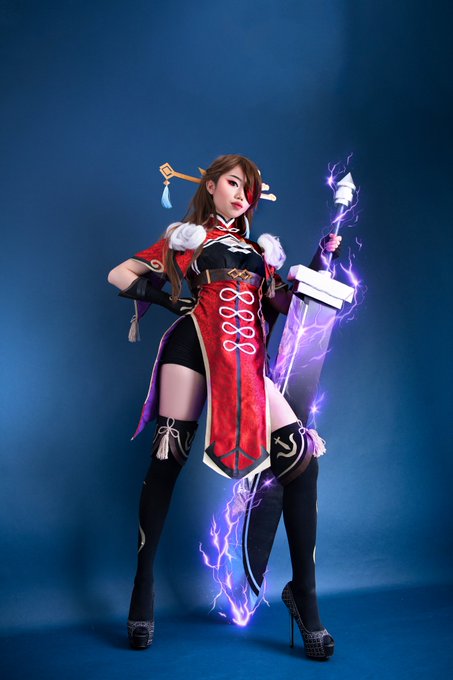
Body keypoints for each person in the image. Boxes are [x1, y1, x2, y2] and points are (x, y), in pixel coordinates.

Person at [108, 154, 341, 659]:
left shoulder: (261, 252)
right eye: (234, 183)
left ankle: (303, 593)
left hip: (244, 362)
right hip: (191, 349)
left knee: (301, 456)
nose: (241, 195)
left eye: (249, 190)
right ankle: (143, 585)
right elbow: (119, 274)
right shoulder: (186, 239)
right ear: (211, 184)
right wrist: (170, 301)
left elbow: (285, 305)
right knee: (167, 459)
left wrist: (320, 261)